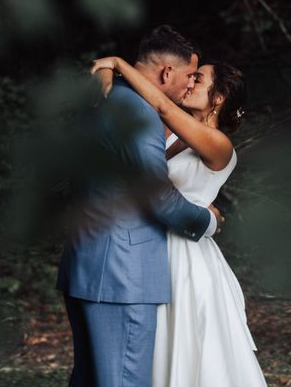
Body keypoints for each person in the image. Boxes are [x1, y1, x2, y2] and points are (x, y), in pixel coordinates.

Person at [56, 25, 222, 386]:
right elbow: (159, 197)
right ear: (167, 73)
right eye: (189, 76)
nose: (189, 86)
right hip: (122, 274)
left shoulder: (102, 97)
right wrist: (207, 222)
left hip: (85, 262)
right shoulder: (140, 114)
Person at [91, 47, 267, 386]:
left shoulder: (219, 144)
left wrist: (118, 63)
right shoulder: (171, 136)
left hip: (186, 258)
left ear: (218, 99)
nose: (190, 83)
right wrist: (106, 75)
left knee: (188, 348)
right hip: (150, 246)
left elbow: (161, 104)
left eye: (199, 79)